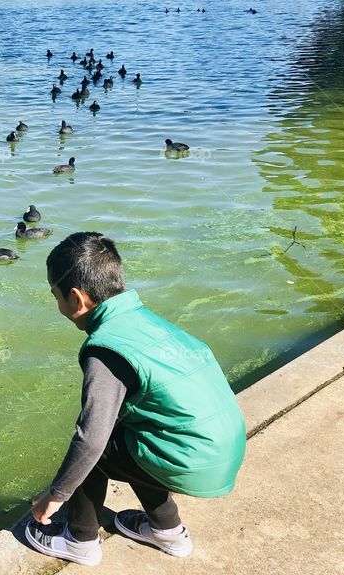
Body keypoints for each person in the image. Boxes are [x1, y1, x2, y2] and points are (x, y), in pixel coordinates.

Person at [25, 232, 246, 566]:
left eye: (55, 296)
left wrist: (54, 496)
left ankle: (79, 540)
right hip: (224, 447)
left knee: (93, 451)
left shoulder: (104, 350)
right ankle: (167, 531)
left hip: (192, 459)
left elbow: (90, 440)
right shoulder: (143, 320)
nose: (57, 306)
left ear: (76, 298)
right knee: (133, 430)